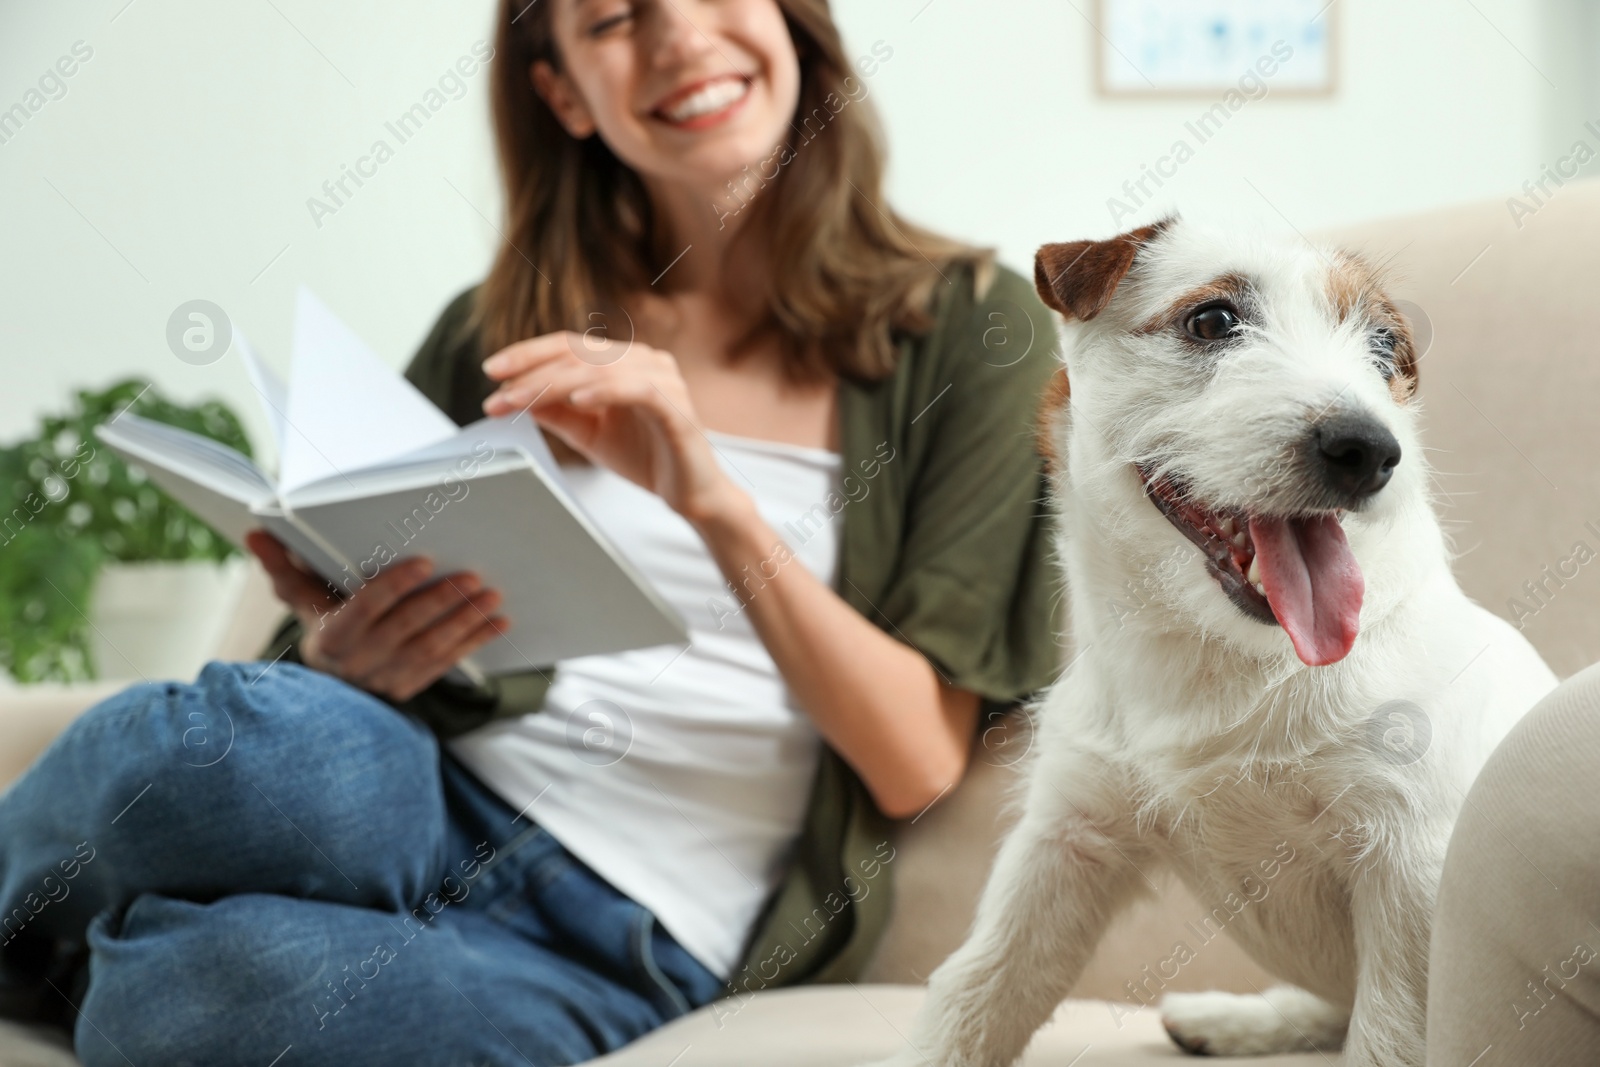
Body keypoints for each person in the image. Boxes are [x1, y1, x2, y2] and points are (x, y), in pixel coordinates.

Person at [0, 1, 1061, 1063]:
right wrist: (342, 646)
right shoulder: (496, 326)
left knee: (201, 996)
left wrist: (708, 497)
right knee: (235, 754)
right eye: (613, 18)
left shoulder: (972, 326)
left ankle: (100, 959)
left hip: (619, 936)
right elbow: (316, 665)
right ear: (562, 91)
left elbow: (916, 761)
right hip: (412, 787)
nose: (680, 37)